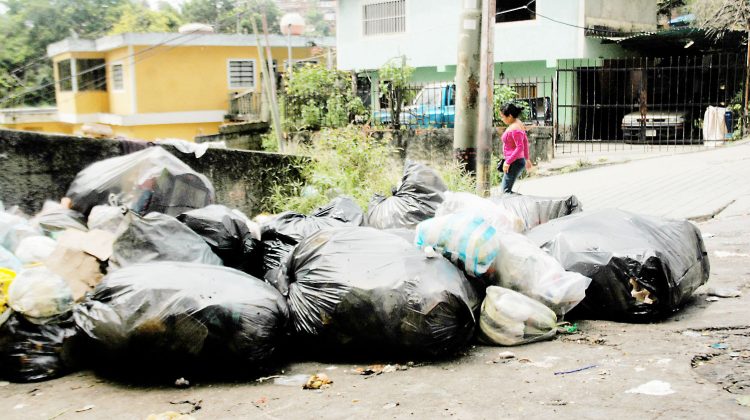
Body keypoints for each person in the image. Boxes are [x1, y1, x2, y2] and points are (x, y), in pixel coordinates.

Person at [498, 103, 532, 193]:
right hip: (515, 161)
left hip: (514, 162)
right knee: (506, 190)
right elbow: (525, 141)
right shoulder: (517, 123)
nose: (502, 119)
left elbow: (520, 147)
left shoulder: (515, 128)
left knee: (506, 191)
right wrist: (527, 159)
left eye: (502, 117)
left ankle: (523, 203)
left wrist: (508, 162)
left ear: (509, 116)